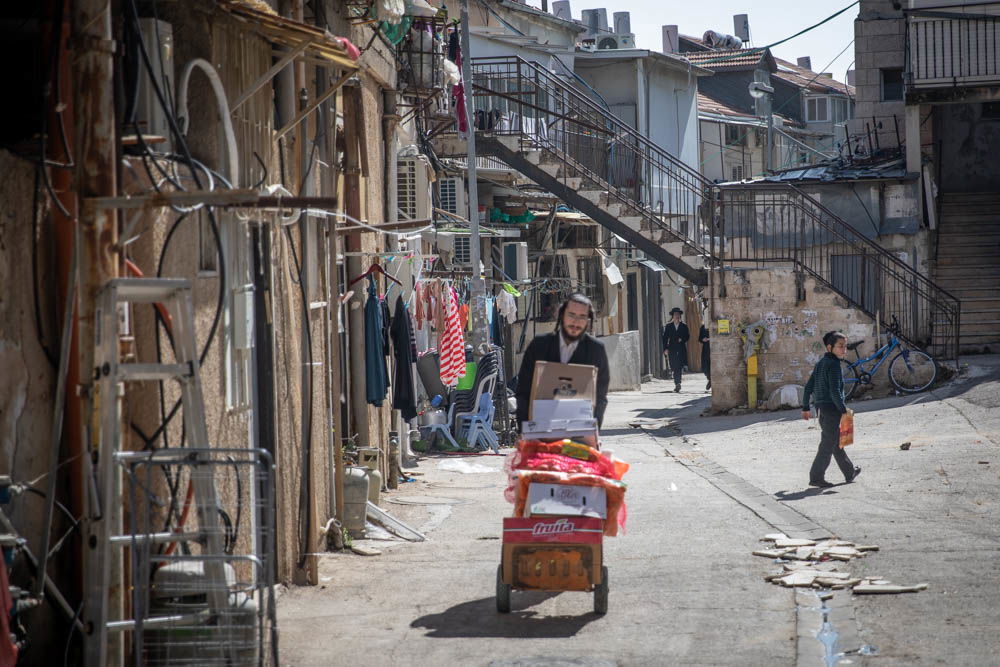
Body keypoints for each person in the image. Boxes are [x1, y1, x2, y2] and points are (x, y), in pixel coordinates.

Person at [515, 293, 610, 429]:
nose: (576, 322)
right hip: (540, 430)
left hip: (579, 431)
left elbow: (600, 396)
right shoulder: (539, 346)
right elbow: (524, 391)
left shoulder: (596, 350)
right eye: (571, 315)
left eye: (582, 317)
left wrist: (592, 432)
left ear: (588, 320)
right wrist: (524, 430)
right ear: (561, 315)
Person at [801, 331, 861, 488]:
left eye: (845, 346)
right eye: (840, 346)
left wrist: (806, 407)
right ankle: (816, 477)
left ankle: (849, 472)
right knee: (827, 445)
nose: (844, 350)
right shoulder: (834, 365)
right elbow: (835, 391)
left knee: (834, 443)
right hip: (831, 409)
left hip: (821, 409)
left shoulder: (820, 363)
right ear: (829, 347)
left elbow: (808, 387)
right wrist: (843, 410)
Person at [661, 307, 689, 393]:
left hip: (681, 348)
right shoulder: (669, 326)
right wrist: (665, 349)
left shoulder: (684, 326)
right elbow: (665, 338)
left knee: (679, 366)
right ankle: (677, 382)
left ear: (680, 316)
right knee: (673, 365)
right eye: (675, 314)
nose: (677, 316)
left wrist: (682, 339)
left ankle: (678, 383)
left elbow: (687, 336)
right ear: (672, 316)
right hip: (672, 348)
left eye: (678, 314)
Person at [699, 323, 711, 391]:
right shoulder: (703, 327)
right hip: (706, 349)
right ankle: (709, 379)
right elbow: (700, 338)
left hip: (714, 348)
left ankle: (711, 380)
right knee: (705, 366)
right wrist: (703, 339)